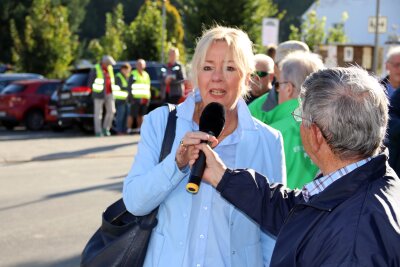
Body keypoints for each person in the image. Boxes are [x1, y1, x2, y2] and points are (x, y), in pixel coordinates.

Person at [192, 66, 400, 266]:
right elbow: (297, 212)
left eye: (301, 118)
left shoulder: (354, 242)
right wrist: (223, 177)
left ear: (316, 134)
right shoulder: (366, 180)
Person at [123, 26, 286, 267]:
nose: (216, 77)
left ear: (247, 75)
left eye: (229, 68)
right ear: (196, 73)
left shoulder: (268, 141)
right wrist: (176, 164)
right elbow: (135, 203)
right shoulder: (161, 123)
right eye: (208, 67)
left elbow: (274, 231)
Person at [269, 51, 324, 188]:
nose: (277, 90)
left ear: (288, 88)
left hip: (282, 207)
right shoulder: (330, 128)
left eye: (277, 85)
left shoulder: (272, 133)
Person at [249, 40, 309, 124]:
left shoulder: (325, 105)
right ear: (275, 69)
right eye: (285, 66)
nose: (292, 71)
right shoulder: (255, 109)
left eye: (299, 66)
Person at [90, 55, 117, 137]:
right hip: (98, 94)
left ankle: (106, 128)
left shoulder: (110, 69)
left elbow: (112, 80)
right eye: (108, 64)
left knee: (112, 111)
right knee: (98, 113)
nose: (110, 65)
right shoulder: (96, 68)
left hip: (110, 93)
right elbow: (90, 82)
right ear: (104, 63)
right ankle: (98, 131)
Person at [127, 59, 151, 133]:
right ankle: (129, 129)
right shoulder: (133, 74)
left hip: (145, 98)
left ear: (144, 66)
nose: (140, 66)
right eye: (139, 64)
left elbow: (148, 86)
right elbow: (129, 86)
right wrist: (131, 98)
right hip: (135, 98)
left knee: (141, 115)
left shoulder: (146, 74)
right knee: (132, 114)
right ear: (136, 65)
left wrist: (148, 97)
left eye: (142, 64)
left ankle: (139, 128)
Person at [114, 62, 134, 135]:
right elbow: (120, 86)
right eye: (126, 69)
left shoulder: (128, 76)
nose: (127, 71)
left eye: (128, 70)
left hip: (127, 99)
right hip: (120, 99)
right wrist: (128, 88)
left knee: (127, 116)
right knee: (120, 116)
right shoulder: (118, 76)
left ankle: (124, 130)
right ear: (122, 69)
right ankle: (119, 131)